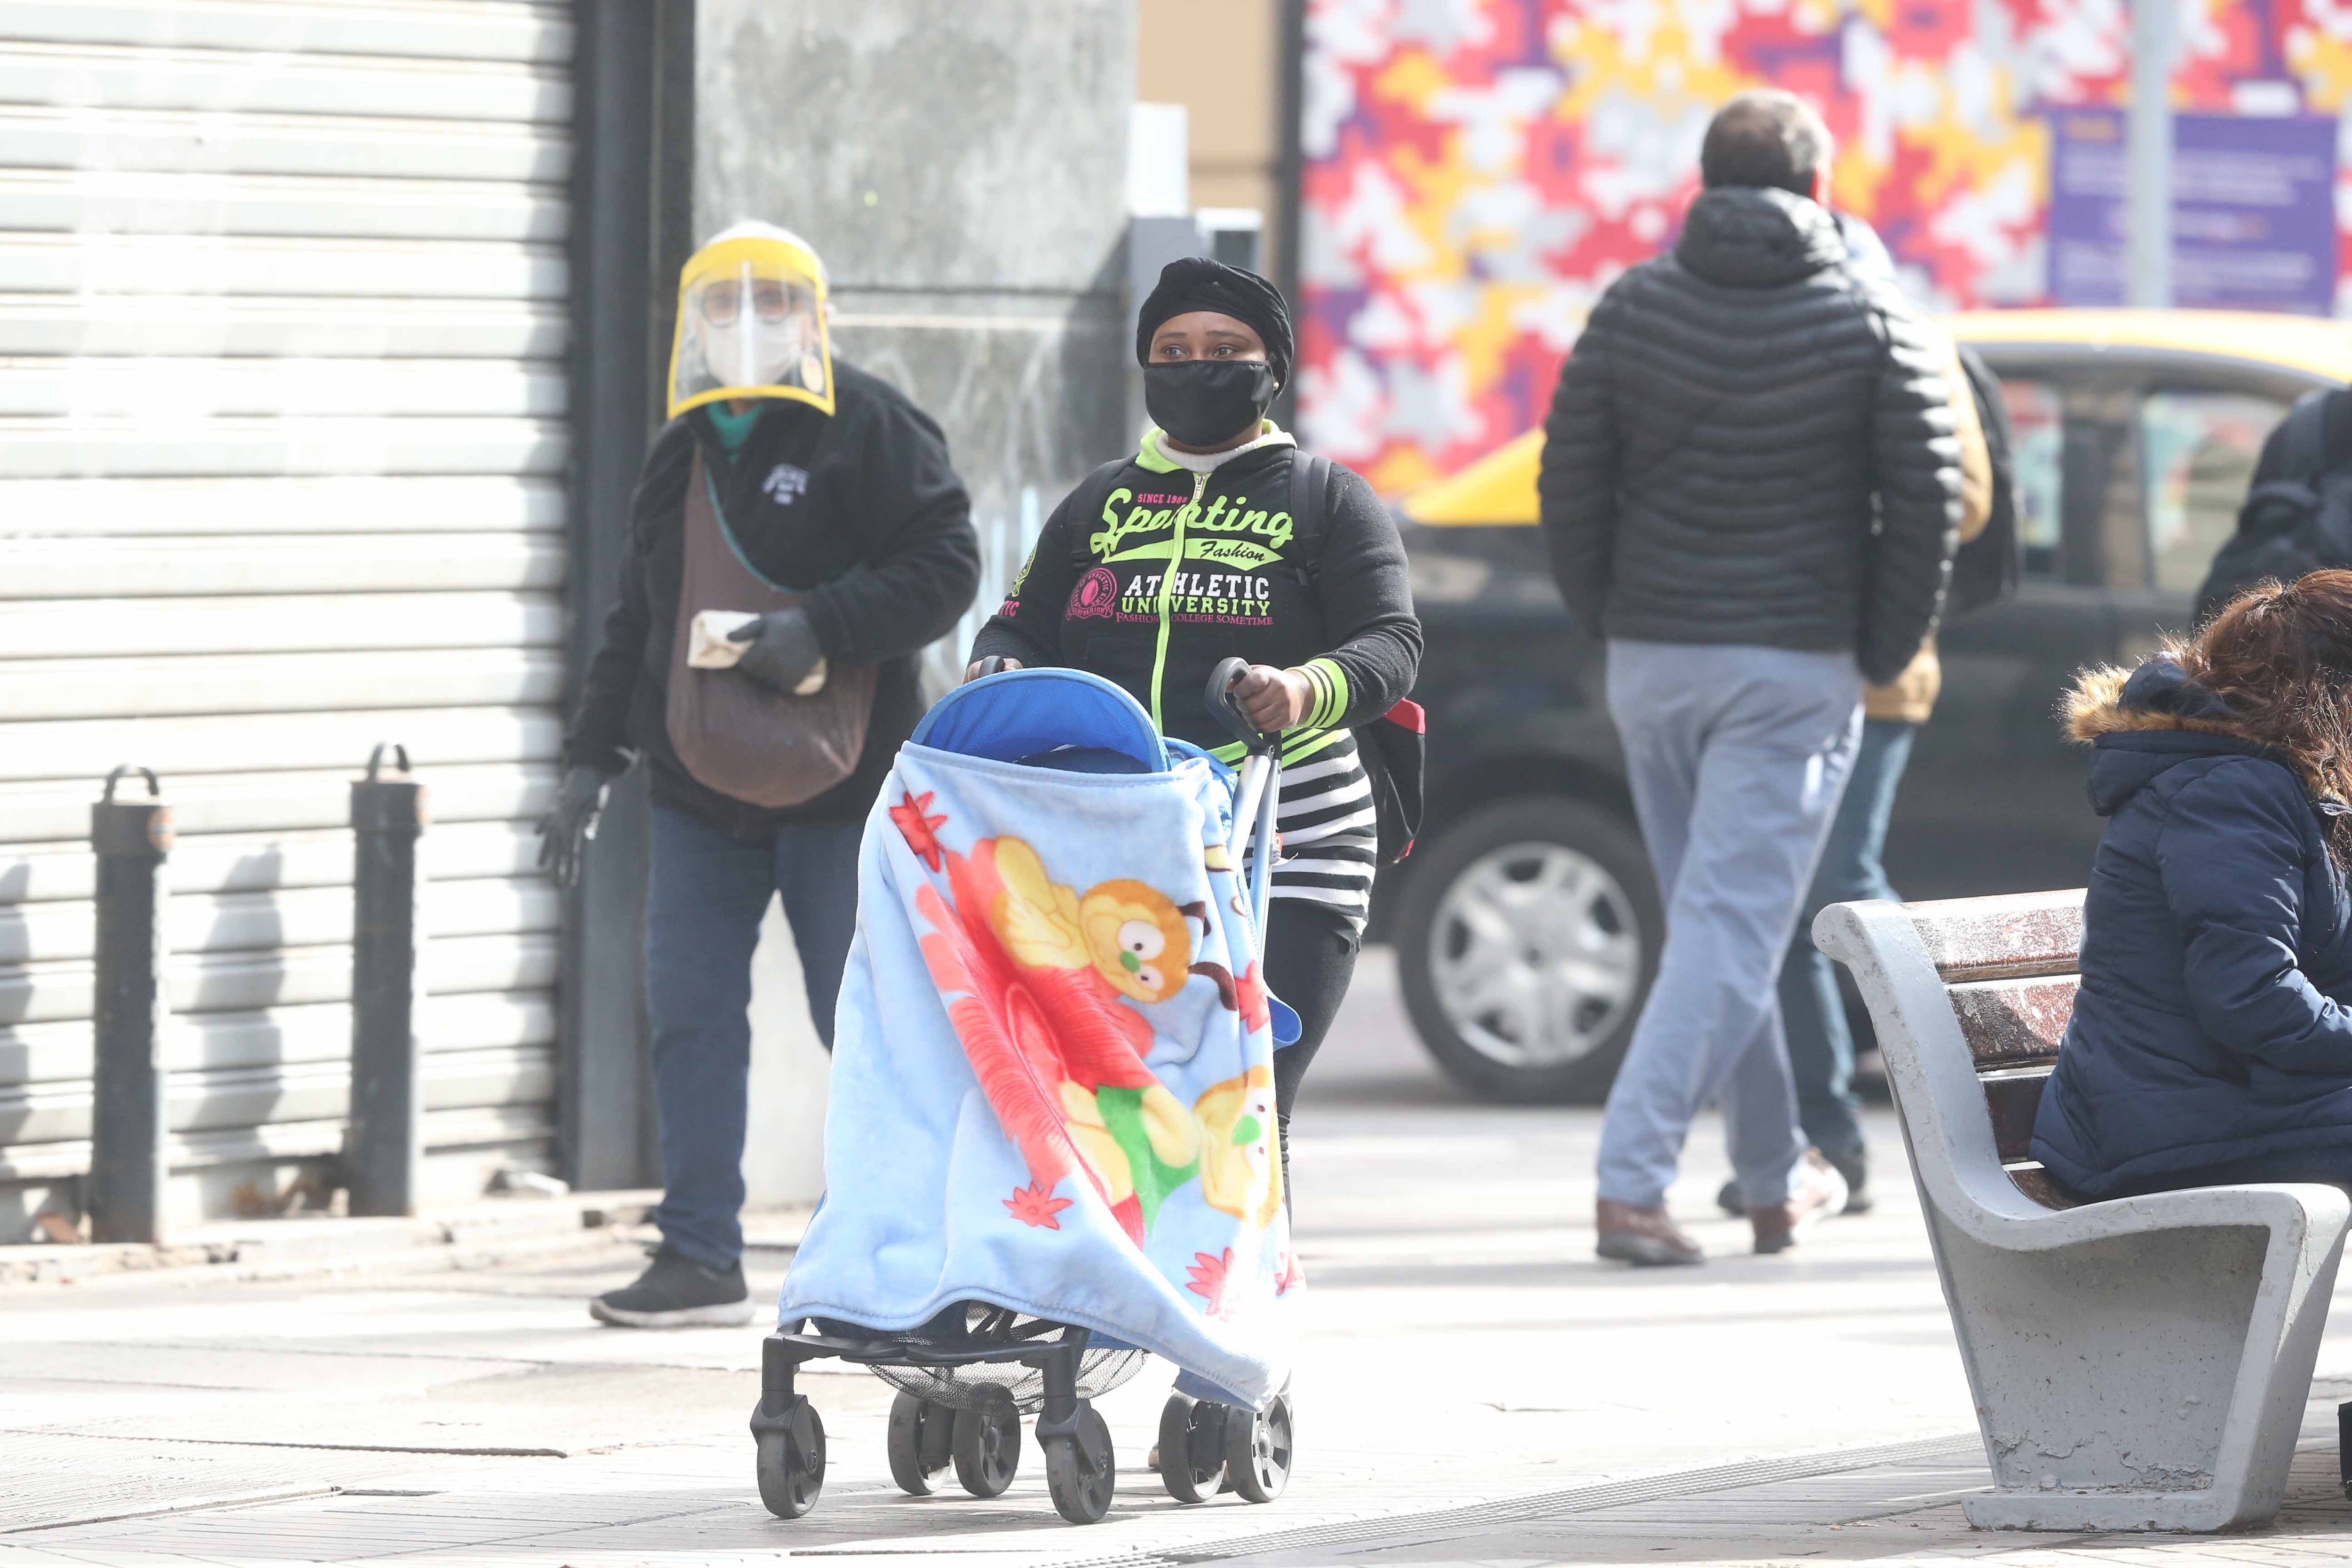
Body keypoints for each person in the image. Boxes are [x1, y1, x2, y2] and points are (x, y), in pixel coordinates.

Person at [1540, 89, 1962, 1266]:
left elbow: (1568, 482)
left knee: (1719, 925)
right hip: (1790, 665)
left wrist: (1611, 620)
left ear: (1704, 183)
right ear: (1819, 187)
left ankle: (1777, 1176)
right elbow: (1926, 505)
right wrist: (1875, 650)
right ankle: (1631, 1183)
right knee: (1729, 928)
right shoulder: (1871, 314)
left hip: (1651, 663)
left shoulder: (1629, 307)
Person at [543, 223, 979, 1325]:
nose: (752, 320)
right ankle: (697, 1250)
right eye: (727, 303)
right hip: (699, 794)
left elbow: (946, 566)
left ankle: (907, 1242)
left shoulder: (869, 425)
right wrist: (590, 760)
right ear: (691, 322)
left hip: (847, 793)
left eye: (777, 301)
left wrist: (820, 629)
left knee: (871, 1024)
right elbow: (635, 617)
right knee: (690, 1013)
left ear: (815, 316)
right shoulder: (680, 448)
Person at [964, 255, 1421, 1194]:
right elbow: (1024, 617)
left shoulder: (1327, 498)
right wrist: (1000, 658)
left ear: (1270, 368)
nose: (1194, 366)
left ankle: (1239, 1314)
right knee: (1118, 1093)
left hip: (1293, 834)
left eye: (1223, 350)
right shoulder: (1099, 500)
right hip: (1127, 838)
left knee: (1246, 1098)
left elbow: (1391, 644)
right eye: (1171, 350)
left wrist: (1303, 688)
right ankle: (1126, 1298)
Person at [1715, 216, 2000, 1218]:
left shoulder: (1904, 332)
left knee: (1835, 887)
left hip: (1872, 667)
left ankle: (1962, 1097)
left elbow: (1962, 497)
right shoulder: (1768, 337)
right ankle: (1820, 1139)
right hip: (1771, 655)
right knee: (1791, 900)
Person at [2033, 573, 2352, 1199]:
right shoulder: (2228, 791)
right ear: (2326, 694)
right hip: (2174, 1122)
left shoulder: (2273, 783)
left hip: (2219, 1100)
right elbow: (2253, 998)